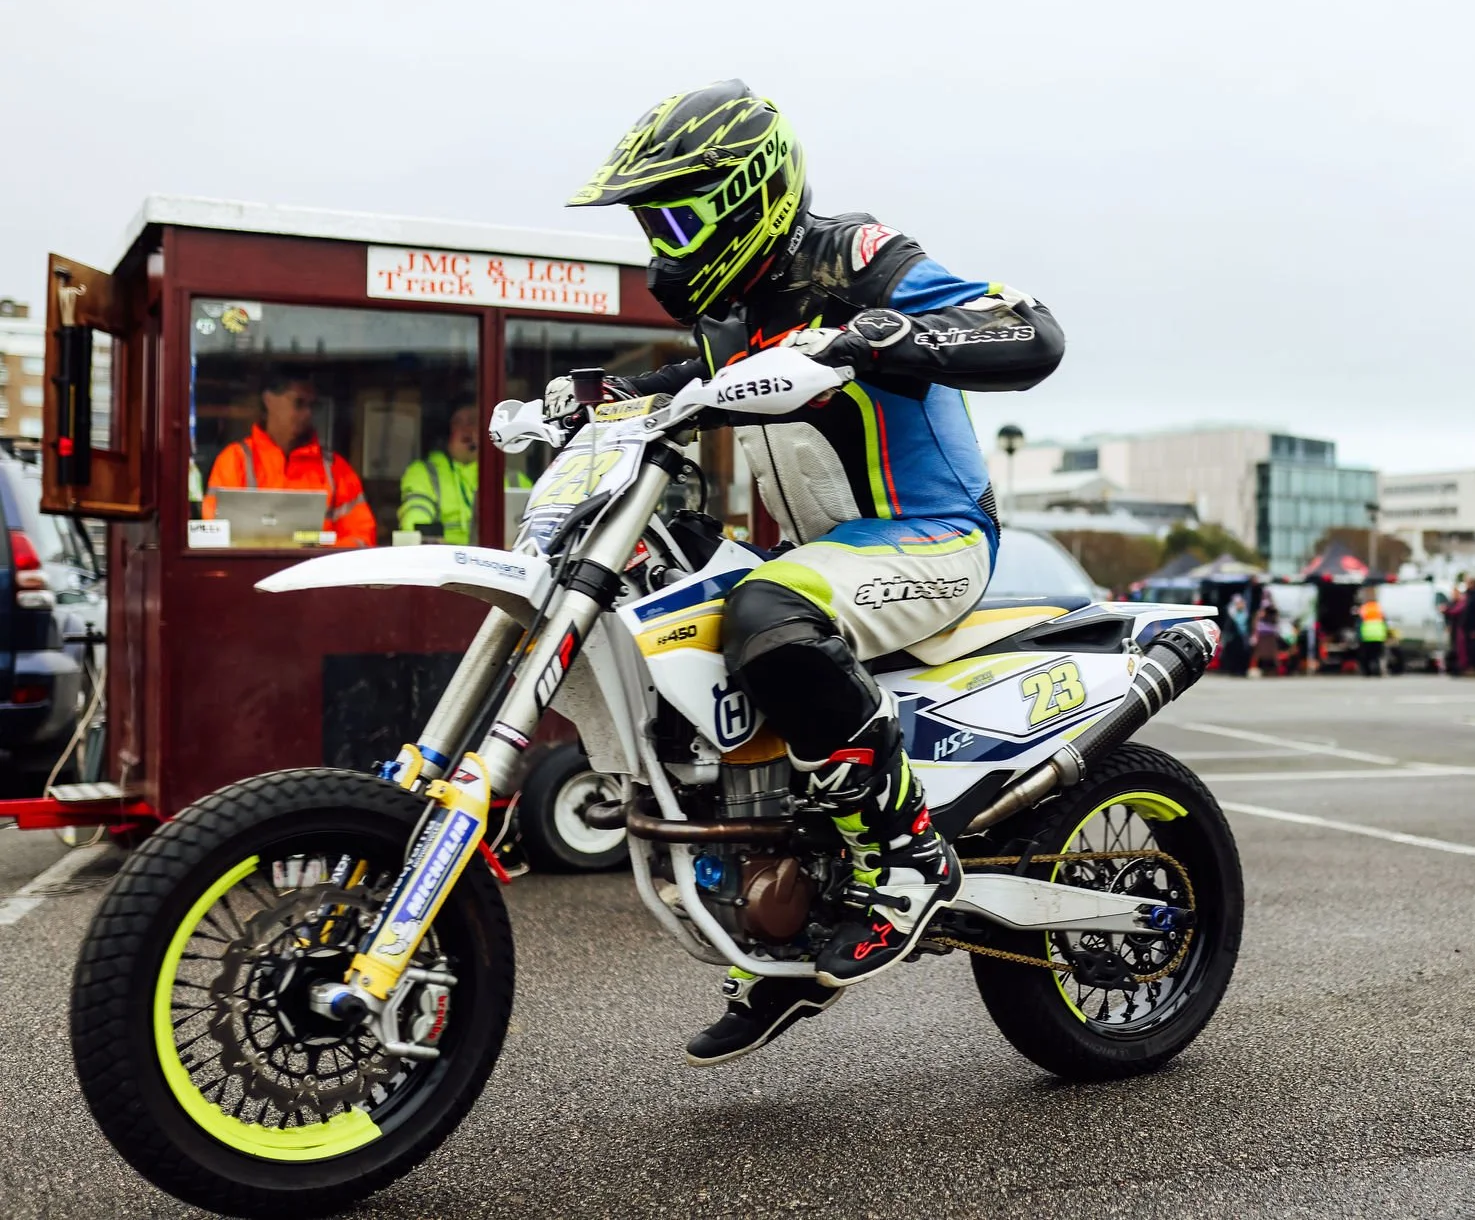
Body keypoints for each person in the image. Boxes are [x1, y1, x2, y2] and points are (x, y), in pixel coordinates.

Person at [554, 80, 1063, 1063]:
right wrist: (598, 397)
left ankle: (907, 854)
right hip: (828, 553)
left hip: (931, 534)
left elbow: (1027, 332)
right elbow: (687, 390)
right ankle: (790, 914)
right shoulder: (725, 311)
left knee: (765, 614)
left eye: (674, 215)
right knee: (687, 614)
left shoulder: (857, 257)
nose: (661, 245)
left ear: (743, 194)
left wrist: (887, 333)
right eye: (649, 221)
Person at [205, 367, 374, 548]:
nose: (308, 413)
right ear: (269, 400)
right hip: (253, 575)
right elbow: (214, 535)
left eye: (312, 406)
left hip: (314, 574)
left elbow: (362, 538)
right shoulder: (234, 461)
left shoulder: (335, 469)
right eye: (299, 403)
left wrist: (317, 556)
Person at [398, 401, 527, 545]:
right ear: (446, 432)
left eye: (473, 422)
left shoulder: (515, 479)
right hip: (446, 561)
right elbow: (415, 521)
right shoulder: (424, 473)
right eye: (458, 423)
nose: (466, 429)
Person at [1358, 594, 1388, 676]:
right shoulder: (1379, 608)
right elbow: (1384, 622)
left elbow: (1359, 623)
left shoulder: (1364, 608)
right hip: (1378, 636)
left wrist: (1359, 636)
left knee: (1366, 656)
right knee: (1377, 655)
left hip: (1366, 636)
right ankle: (1378, 671)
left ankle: (1367, 672)